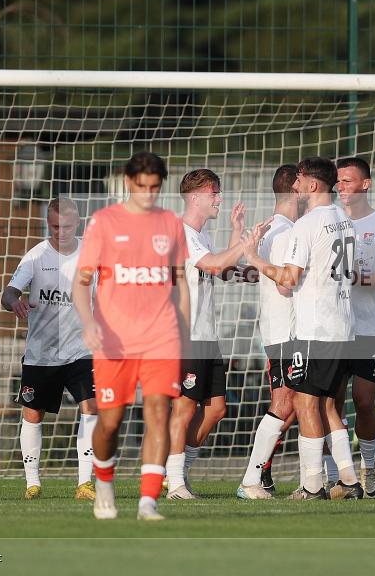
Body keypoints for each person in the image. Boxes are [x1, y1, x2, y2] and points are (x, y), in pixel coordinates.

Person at [73, 151, 190, 520]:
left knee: (159, 412)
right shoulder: (104, 222)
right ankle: (103, 483)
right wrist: (88, 322)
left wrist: (183, 332)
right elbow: (81, 282)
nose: (148, 194)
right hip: (114, 340)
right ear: (128, 183)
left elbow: (181, 281)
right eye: (141, 187)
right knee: (109, 423)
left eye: (155, 188)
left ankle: (147, 502)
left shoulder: (170, 223)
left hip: (161, 336)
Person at [242, 156, 362, 500]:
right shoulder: (344, 220)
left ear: (312, 185)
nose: (295, 184)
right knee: (327, 406)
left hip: (316, 328)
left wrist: (253, 257)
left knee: (306, 404)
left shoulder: (305, 226)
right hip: (343, 327)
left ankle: (312, 485)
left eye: (299, 179)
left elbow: (287, 279)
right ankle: (350, 481)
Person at [1, 198, 98, 501]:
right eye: (55, 226)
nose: (61, 232)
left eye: (66, 226)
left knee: (91, 407)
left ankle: (85, 483)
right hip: (41, 353)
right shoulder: (36, 256)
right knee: (33, 413)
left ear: (77, 223)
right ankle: (33, 483)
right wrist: (14, 301)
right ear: (48, 223)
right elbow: (8, 293)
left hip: (81, 350)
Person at [166, 169, 246, 500]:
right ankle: (175, 482)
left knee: (216, 409)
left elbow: (223, 269)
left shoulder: (202, 236)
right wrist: (244, 244)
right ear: (195, 197)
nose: (219, 199)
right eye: (214, 193)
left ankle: (177, 476)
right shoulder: (183, 233)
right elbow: (213, 266)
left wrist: (238, 233)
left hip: (205, 336)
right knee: (183, 410)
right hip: (185, 337)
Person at [334, 157, 375, 499]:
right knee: (329, 402)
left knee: (363, 400)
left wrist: (351, 275)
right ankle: (335, 477)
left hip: (368, 329)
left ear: (365, 184)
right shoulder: (328, 223)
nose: (341, 186)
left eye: (348, 180)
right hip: (332, 327)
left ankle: (369, 467)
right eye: (338, 180)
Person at [236, 164, 300, 500]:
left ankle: (328, 479)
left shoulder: (275, 228)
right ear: (297, 190)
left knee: (307, 402)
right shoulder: (287, 232)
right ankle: (252, 479)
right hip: (287, 333)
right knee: (286, 403)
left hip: (278, 334)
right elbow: (284, 287)